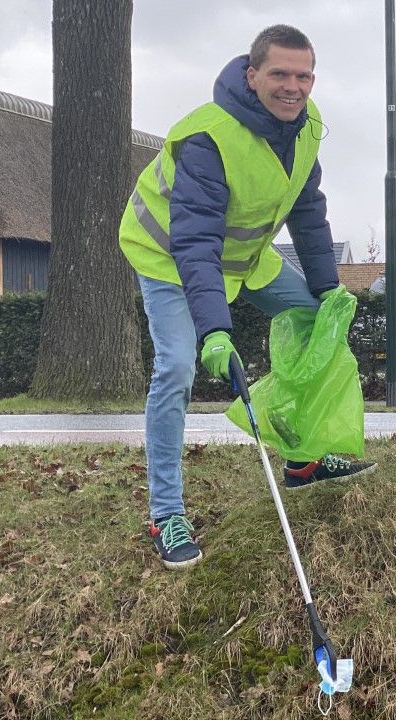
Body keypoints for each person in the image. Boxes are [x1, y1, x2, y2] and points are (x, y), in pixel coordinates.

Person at [119, 25, 375, 571]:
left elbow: (309, 212)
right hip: (170, 259)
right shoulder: (209, 137)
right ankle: (166, 513)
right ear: (252, 74)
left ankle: (302, 462)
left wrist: (328, 292)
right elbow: (195, 241)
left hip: (246, 259)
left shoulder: (308, 128)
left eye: (304, 75)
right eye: (280, 74)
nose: (293, 86)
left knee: (312, 321)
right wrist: (215, 329)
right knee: (176, 367)